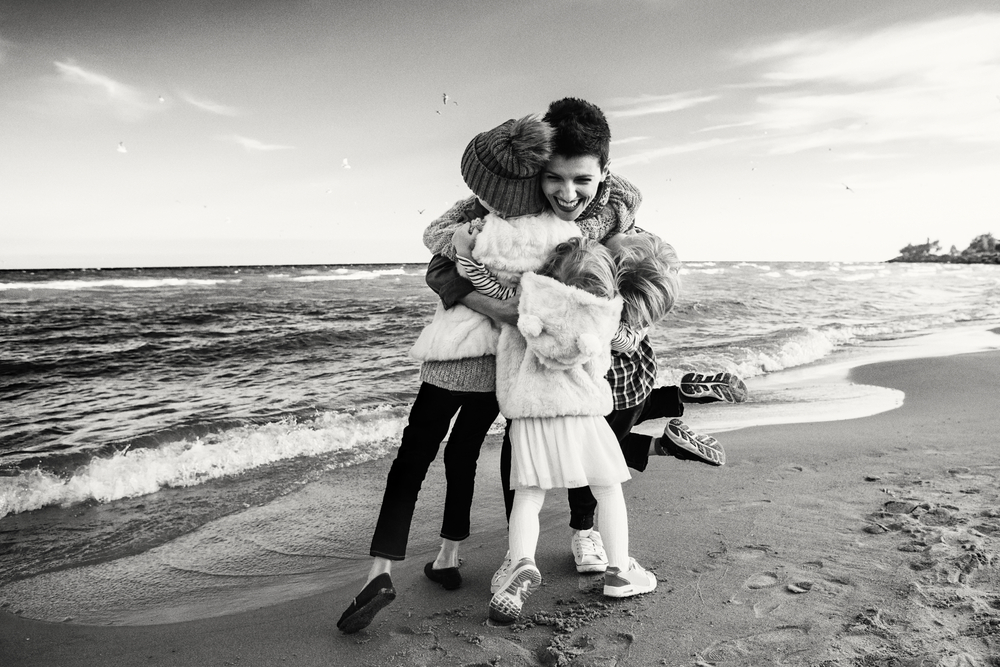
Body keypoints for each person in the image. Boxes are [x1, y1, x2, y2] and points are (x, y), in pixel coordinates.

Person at [336, 114, 560, 635]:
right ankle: (448, 556)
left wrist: (459, 249)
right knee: (463, 454)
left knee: (412, 459)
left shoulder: (472, 224)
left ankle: (381, 571)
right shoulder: (544, 227)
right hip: (501, 361)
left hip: (452, 355)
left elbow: (436, 256)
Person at [489, 237, 657, 624]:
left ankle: (520, 563)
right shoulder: (602, 320)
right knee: (608, 491)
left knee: (528, 498)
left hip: (530, 416)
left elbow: (489, 291)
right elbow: (608, 361)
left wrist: (468, 259)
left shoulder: (526, 304)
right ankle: (619, 572)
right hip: (582, 415)